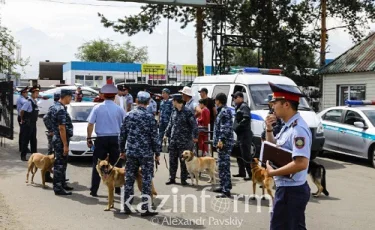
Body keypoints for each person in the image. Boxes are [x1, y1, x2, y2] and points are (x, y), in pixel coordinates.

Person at [264, 82, 312, 229]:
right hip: (285, 189)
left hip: (292, 192)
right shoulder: (287, 126)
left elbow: (301, 163)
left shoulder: (298, 130)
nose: (273, 107)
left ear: (286, 105)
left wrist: (273, 172)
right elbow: (274, 147)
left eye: (275, 102)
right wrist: (269, 129)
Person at [119, 91, 160, 216]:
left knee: (129, 179)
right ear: (148, 102)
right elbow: (154, 137)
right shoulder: (150, 117)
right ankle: (145, 208)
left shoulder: (129, 115)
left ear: (137, 101)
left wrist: (121, 150)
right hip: (146, 154)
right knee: (146, 180)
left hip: (131, 152)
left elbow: (122, 135)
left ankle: (126, 206)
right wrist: (157, 153)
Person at [87, 80, 126, 197]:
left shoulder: (97, 108)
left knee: (98, 165)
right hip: (115, 138)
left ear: (103, 95)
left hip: (101, 139)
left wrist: (88, 138)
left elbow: (90, 124)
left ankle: (94, 190)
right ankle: (117, 188)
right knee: (117, 165)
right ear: (114, 97)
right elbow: (125, 125)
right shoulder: (119, 109)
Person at [163, 94, 198, 186]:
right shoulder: (174, 111)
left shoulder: (187, 112)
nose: (171, 102)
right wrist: (166, 134)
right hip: (173, 140)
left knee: (183, 162)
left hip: (185, 141)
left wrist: (195, 137)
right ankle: (172, 178)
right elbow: (170, 124)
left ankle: (183, 179)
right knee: (172, 160)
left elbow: (194, 125)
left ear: (176, 101)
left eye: (173, 100)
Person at [50, 89, 74, 195]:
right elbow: (62, 128)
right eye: (70, 97)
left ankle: (62, 184)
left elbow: (47, 118)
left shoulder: (54, 106)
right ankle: (58, 188)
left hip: (57, 138)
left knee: (62, 163)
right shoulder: (60, 109)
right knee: (59, 164)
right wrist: (65, 145)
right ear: (66, 96)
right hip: (61, 140)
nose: (71, 99)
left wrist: (52, 130)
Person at [212, 93, 234, 198]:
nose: (215, 102)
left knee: (224, 166)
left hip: (224, 143)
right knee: (221, 165)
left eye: (216, 100)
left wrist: (221, 140)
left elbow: (225, 127)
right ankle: (223, 185)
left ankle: (226, 190)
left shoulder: (225, 111)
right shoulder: (222, 111)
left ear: (219, 101)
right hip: (222, 143)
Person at [232, 91, 253, 180]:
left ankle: (251, 174)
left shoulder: (244, 107)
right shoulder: (238, 107)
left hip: (245, 134)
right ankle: (242, 172)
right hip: (240, 135)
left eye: (235, 98)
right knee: (239, 154)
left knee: (246, 155)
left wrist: (238, 127)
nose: (234, 99)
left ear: (240, 98)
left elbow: (246, 119)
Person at [42, 92, 61, 183]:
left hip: (55, 134)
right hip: (53, 136)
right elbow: (45, 118)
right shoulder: (55, 107)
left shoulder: (55, 107)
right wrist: (51, 130)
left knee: (52, 155)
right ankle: (47, 176)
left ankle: (50, 175)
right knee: (51, 156)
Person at [19, 85, 40, 161]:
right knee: (26, 140)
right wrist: (22, 119)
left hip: (33, 123)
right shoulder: (29, 102)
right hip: (28, 124)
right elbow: (22, 111)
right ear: (33, 93)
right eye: (36, 93)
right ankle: (23, 156)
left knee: (33, 140)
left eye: (38, 93)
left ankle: (34, 156)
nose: (37, 94)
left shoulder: (35, 101)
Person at [16, 86, 29, 152]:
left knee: (22, 133)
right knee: (24, 133)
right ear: (23, 93)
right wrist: (22, 119)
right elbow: (22, 110)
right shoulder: (22, 99)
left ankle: (22, 147)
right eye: (26, 92)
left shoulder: (21, 98)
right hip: (22, 117)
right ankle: (23, 148)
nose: (27, 93)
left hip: (21, 117)